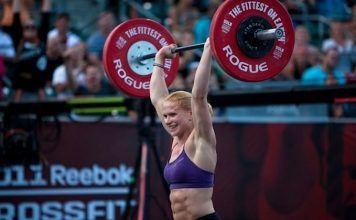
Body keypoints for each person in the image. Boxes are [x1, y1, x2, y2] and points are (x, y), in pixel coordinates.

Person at [150, 38, 219, 220]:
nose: (168, 120)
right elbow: (157, 99)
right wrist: (159, 60)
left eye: (173, 115)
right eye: (165, 116)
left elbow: (198, 96)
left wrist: (208, 50)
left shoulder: (201, 139)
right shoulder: (176, 140)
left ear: (191, 114)